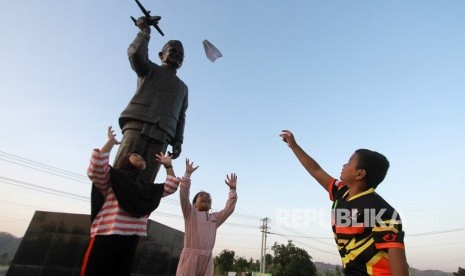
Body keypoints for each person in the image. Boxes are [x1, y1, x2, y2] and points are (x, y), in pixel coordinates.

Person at [280, 130, 409, 276]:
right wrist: (294, 145)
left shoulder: (382, 212)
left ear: (360, 174)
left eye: (349, 162)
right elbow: (315, 170)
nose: (344, 164)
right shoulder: (341, 192)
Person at [80, 126, 180, 276]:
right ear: (126, 160)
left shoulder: (145, 187)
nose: (140, 157)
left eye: (141, 157)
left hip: (132, 237)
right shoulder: (113, 177)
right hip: (107, 234)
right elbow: (97, 166)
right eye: (135, 155)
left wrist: (168, 165)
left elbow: (171, 186)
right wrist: (110, 142)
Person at [114, 15, 188, 184]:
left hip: (163, 135)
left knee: (146, 180)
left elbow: (182, 116)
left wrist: (178, 140)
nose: (177, 56)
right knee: (121, 170)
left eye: (180, 55)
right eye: (173, 51)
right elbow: (135, 55)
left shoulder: (183, 87)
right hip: (138, 124)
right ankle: (109, 207)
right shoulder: (149, 69)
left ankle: (138, 210)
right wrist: (145, 32)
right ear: (162, 54)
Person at [175, 159, 238, 276]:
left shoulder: (214, 218)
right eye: (201, 196)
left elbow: (229, 209)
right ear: (194, 203)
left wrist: (232, 190)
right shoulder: (190, 212)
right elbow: (184, 194)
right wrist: (187, 175)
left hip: (208, 259)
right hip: (190, 257)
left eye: (208, 196)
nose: (206, 197)